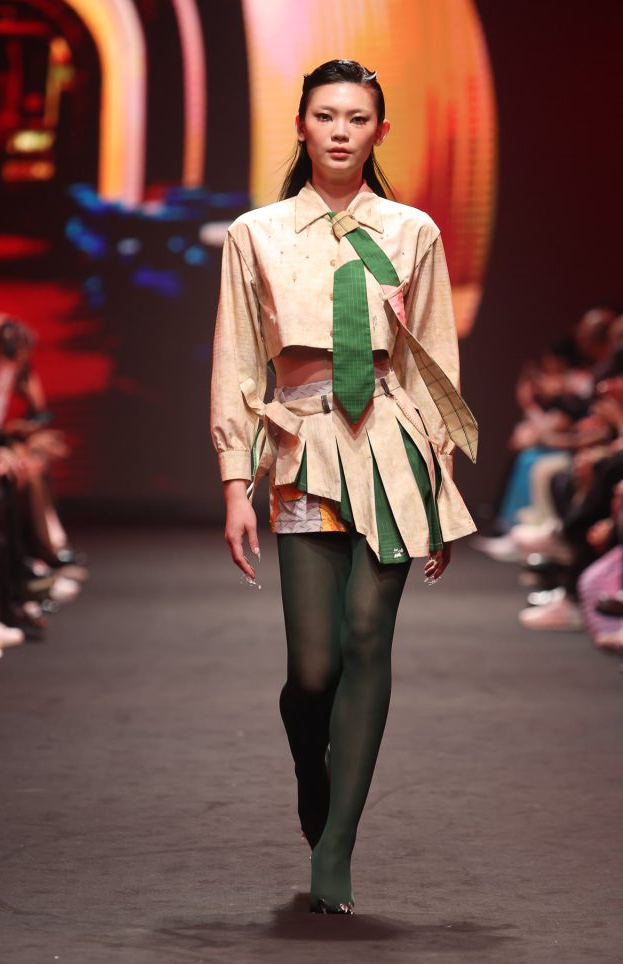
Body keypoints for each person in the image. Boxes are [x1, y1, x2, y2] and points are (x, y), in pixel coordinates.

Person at [210, 59, 478, 914]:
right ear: (300, 125)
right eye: (324, 115)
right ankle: (309, 767)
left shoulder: (412, 231)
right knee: (312, 669)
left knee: (368, 635)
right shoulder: (254, 233)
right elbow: (237, 360)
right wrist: (234, 480)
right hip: (301, 444)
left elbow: (432, 359)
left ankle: (336, 845)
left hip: (391, 445)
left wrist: (439, 476)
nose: (339, 131)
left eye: (356, 118)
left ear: (378, 132)